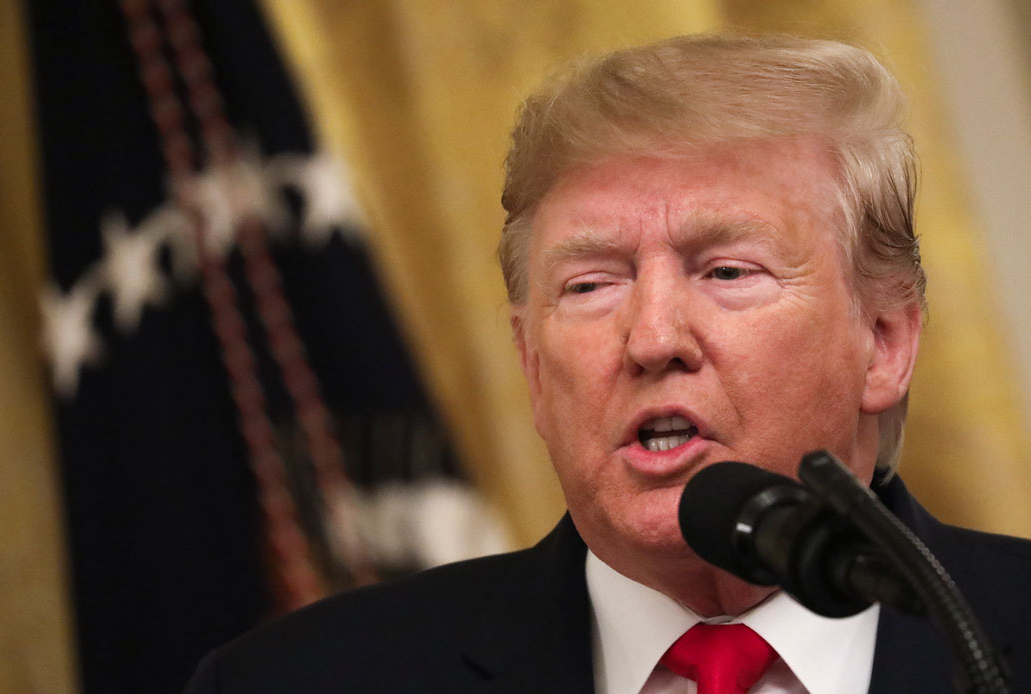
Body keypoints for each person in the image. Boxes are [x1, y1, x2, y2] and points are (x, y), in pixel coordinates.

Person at [186, 34, 1031, 693]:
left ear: (883, 342)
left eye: (726, 271)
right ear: (531, 363)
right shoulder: (292, 683)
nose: (652, 338)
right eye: (591, 285)